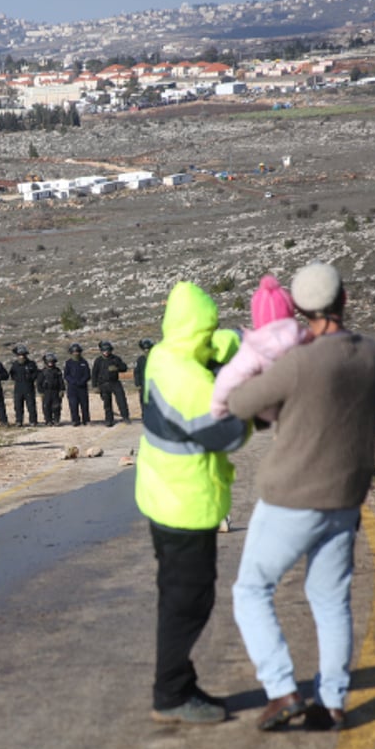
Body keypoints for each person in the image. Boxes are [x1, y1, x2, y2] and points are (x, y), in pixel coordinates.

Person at [228, 263, 375, 732]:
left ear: (298, 309)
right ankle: (332, 701)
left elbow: (241, 404)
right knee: (330, 599)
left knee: (252, 590)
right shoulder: (373, 355)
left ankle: (282, 690)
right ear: (344, 300)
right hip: (346, 497)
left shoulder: (299, 362)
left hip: (292, 496)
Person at [137, 281, 249, 725]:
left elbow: (210, 347)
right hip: (186, 507)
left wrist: (232, 342)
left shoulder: (163, 356)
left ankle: (179, 682)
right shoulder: (188, 379)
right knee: (189, 603)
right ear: (200, 330)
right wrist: (243, 374)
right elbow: (232, 432)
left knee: (175, 597)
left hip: (161, 498)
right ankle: (171, 694)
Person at [210, 274, 310, 422]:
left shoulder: (254, 348)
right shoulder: (305, 338)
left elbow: (230, 376)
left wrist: (217, 405)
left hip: (270, 408)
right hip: (304, 403)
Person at [92, 340, 131, 427]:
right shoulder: (98, 361)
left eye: (108, 350)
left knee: (121, 400)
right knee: (107, 403)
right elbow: (94, 373)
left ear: (111, 350)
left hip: (115, 382)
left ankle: (125, 417)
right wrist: (95, 386)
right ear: (101, 351)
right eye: (104, 351)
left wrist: (117, 368)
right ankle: (109, 420)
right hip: (103, 384)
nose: (106, 352)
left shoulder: (115, 358)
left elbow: (124, 368)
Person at [7, 345, 40, 427]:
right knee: (18, 406)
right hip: (18, 388)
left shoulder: (31, 364)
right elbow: (12, 374)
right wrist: (16, 378)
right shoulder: (15, 364)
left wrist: (31, 378)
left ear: (26, 355)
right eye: (19, 355)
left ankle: (33, 421)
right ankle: (19, 421)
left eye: (23, 355)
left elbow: (36, 373)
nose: (21, 357)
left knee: (31, 405)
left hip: (29, 388)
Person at [63, 342, 91, 427]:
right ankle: (75, 420)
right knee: (73, 404)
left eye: (77, 352)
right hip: (72, 388)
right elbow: (66, 375)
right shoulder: (68, 363)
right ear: (71, 353)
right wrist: (73, 381)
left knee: (84, 404)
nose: (76, 353)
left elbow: (87, 374)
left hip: (82, 387)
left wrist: (82, 381)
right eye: (74, 352)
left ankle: (86, 420)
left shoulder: (84, 362)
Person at [37, 352, 65, 426]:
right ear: (46, 362)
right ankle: (48, 420)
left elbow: (61, 381)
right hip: (46, 391)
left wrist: (62, 390)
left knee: (56, 406)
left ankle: (56, 420)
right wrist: (41, 392)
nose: (50, 363)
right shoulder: (43, 372)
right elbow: (39, 383)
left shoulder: (57, 371)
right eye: (49, 362)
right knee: (46, 406)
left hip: (55, 391)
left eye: (52, 362)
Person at [133, 338, 153, 407]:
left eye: (148, 348)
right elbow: (136, 373)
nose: (146, 350)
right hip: (143, 384)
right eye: (145, 349)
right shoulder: (140, 360)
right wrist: (138, 384)